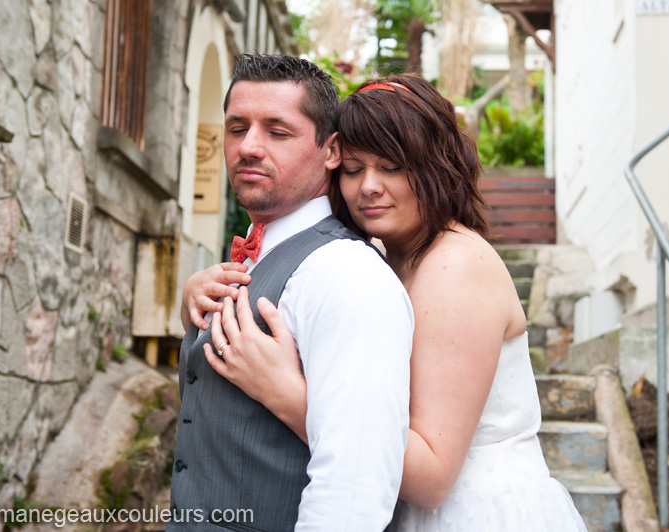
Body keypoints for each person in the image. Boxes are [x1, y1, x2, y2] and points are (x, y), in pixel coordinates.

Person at [183, 73, 588, 531]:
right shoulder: (382, 259)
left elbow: (433, 478)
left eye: (391, 167)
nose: (368, 187)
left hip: (473, 513)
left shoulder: (455, 265)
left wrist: (289, 394)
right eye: (353, 170)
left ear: (436, 165)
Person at [168, 54, 414, 532]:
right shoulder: (249, 258)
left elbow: (353, 489)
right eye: (237, 128)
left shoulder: (346, 274)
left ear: (331, 150)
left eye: (277, 132)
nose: (249, 147)